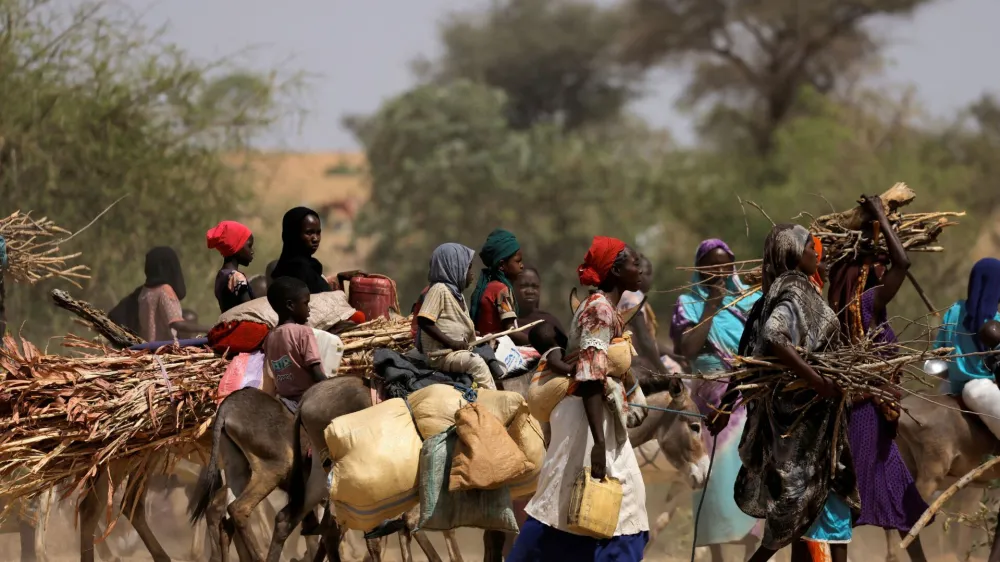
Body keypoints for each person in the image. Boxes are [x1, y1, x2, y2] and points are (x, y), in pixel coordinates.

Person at [710, 224, 858, 562]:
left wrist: (726, 406)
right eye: (808, 247)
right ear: (792, 253)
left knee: (806, 516)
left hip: (806, 424)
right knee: (803, 508)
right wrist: (818, 382)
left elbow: (746, 357)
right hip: (803, 426)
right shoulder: (793, 293)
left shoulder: (774, 295)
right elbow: (774, 337)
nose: (815, 253)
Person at [508, 236, 649, 562]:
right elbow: (589, 374)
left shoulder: (606, 310)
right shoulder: (599, 310)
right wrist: (598, 442)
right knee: (583, 499)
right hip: (587, 417)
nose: (639, 267)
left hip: (593, 414)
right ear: (615, 271)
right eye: (633, 262)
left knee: (580, 500)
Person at [826, 196, 928, 561]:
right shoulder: (869, 303)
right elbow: (904, 262)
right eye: (879, 264)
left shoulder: (844, 311)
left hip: (872, 416)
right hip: (865, 415)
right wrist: (883, 218)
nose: (886, 270)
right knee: (849, 498)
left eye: (884, 263)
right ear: (864, 273)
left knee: (898, 496)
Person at [670, 239, 761, 560]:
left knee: (746, 475)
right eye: (711, 266)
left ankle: (751, 552)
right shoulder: (687, 304)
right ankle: (718, 557)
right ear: (699, 270)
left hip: (745, 397)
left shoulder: (750, 302)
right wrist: (712, 304)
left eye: (725, 265)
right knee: (714, 481)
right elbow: (688, 349)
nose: (719, 272)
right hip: (706, 402)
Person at [934, 257, 1000, 438]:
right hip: (982, 388)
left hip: (951, 387)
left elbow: (938, 354)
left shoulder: (953, 311)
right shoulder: (996, 322)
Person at [417, 243, 497, 390]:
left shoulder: (457, 295)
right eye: (469, 268)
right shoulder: (439, 289)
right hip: (440, 355)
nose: (472, 273)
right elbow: (424, 320)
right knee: (476, 363)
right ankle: (492, 398)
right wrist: (451, 342)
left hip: (455, 352)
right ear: (454, 268)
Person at [110, 247, 209, 342]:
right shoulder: (165, 291)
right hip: (164, 348)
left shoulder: (144, 291)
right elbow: (177, 324)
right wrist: (208, 328)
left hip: (148, 347)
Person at [263, 277, 326, 408]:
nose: (309, 309)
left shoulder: (269, 337)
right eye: (305, 303)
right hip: (308, 400)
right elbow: (317, 374)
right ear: (290, 305)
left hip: (285, 402)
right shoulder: (303, 332)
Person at [620, 255, 683, 375]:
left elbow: (650, 341)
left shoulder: (631, 297)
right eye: (648, 273)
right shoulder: (633, 298)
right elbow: (644, 340)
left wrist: (673, 356)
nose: (651, 278)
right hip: (632, 362)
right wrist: (663, 372)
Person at [271, 207, 360, 294]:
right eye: (309, 233)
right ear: (292, 235)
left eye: (318, 232)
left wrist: (339, 278)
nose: (315, 238)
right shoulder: (296, 270)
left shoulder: (309, 266)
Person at [470, 228, 525, 342]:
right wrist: (537, 342)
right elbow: (511, 332)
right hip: (497, 347)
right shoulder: (501, 290)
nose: (522, 265)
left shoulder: (488, 287)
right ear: (501, 265)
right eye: (518, 261)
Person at [206, 220, 255, 313]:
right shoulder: (237, 277)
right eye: (249, 246)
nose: (252, 251)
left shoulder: (221, 275)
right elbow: (250, 312)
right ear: (237, 246)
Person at [515, 266, 566, 338]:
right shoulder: (506, 322)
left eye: (534, 286)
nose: (530, 291)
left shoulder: (549, 322)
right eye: (524, 286)